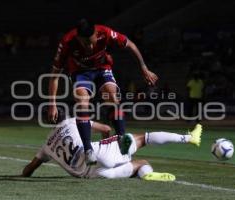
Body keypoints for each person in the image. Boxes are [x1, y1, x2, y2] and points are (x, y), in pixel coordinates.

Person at [48, 19, 158, 165]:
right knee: (82, 101)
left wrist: (144, 67)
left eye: (93, 42)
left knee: (112, 96)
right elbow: (54, 76)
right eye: (86, 44)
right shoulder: (67, 42)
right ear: (79, 38)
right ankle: (88, 150)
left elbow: (130, 44)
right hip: (81, 73)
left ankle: (122, 139)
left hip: (102, 69)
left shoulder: (104, 32)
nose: (91, 46)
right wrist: (52, 104)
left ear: (96, 34)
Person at [22, 116, 202, 181]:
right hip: (97, 154)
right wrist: (106, 147)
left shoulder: (46, 145)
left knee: (141, 163)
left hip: (92, 176)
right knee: (141, 138)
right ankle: (189, 138)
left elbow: (28, 170)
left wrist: (24, 174)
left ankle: (146, 174)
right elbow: (106, 129)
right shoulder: (71, 121)